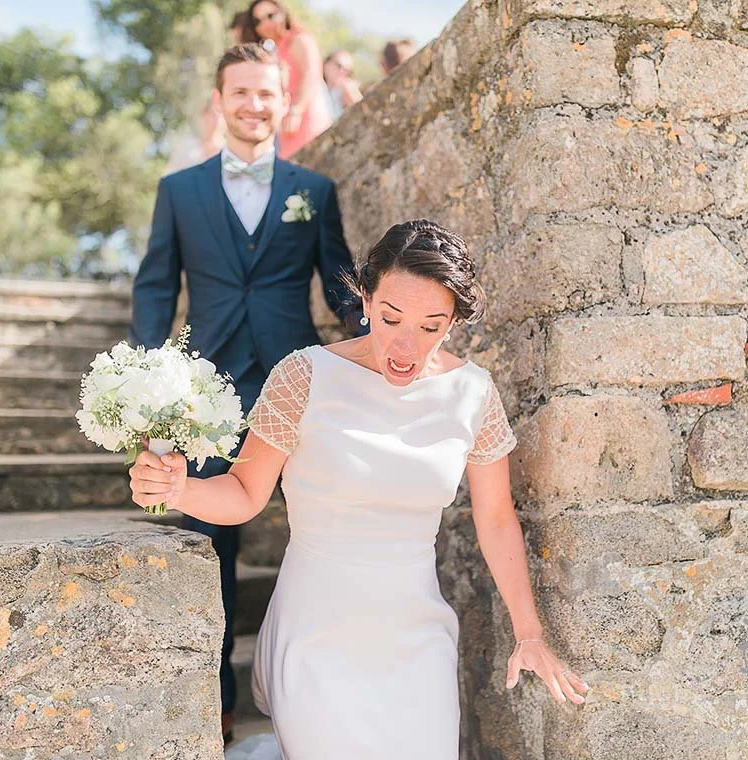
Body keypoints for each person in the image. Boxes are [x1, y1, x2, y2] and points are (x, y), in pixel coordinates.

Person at [129, 220, 590, 759]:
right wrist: (179, 489)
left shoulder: (474, 394)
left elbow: (495, 520)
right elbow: (243, 493)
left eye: (430, 325)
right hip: (315, 633)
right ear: (365, 299)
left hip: (416, 639)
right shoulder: (303, 376)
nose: (404, 343)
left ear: (455, 322)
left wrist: (529, 633)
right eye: (390, 317)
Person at [128, 42, 364, 747]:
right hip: (206, 397)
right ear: (220, 100)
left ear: (284, 100)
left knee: (329, 538)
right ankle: (217, 705)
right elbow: (154, 289)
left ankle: (334, 689)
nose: (255, 105)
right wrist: (147, 390)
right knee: (211, 548)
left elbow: (340, 285)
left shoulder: (314, 191)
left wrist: (380, 346)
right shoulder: (180, 191)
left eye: (267, 93)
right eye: (242, 93)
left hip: (301, 390)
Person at [239, 0, 333, 159]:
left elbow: (311, 76)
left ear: (283, 12)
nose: (265, 23)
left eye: (270, 15)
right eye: (258, 21)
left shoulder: (299, 38)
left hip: (307, 118)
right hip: (287, 126)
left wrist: (296, 110)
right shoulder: (274, 50)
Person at [323, 50, 363, 121]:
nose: (342, 72)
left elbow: (363, 113)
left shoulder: (345, 90)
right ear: (326, 64)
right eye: (339, 66)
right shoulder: (316, 87)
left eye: (347, 70)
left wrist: (351, 92)